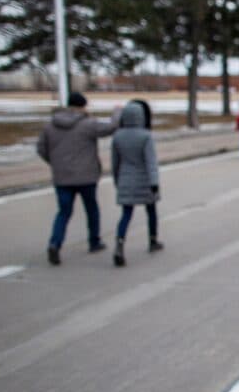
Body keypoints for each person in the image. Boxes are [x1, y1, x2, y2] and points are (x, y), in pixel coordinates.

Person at [36, 91, 118, 265]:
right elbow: (111, 128)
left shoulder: (51, 125)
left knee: (64, 212)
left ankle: (55, 243)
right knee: (91, 209)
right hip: (86, 176)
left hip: (62, 177)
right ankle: (94, 241)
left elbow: (41, 149)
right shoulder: (88, 124)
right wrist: (117, 113)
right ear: (83, 106)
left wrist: (55, 162)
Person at [110, 100, 163, 267]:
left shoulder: (118, 136)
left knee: (126, 214)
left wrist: (117, 180)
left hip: (125, 178)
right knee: (151, 211)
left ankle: (119, 243)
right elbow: (151, 162)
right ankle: (153, 239)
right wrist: (154, 182)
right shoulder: (145, 136)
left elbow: (115, 163)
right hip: (145, 180)